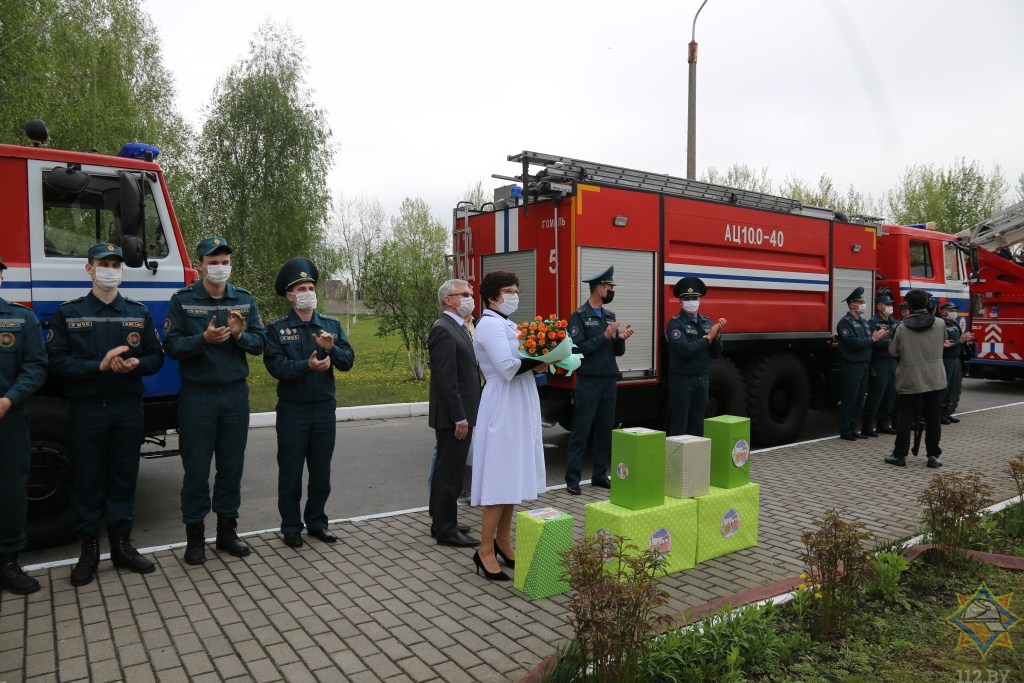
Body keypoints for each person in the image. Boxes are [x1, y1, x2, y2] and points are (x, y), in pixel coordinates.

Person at [48, 243, 165, 586]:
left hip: (127, 408)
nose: (110, 269)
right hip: (88, 409)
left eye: (116, 264)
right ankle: (88, 552)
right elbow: (55, 361)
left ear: (122, 271)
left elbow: (156, 357)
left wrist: (136, 364)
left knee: (124, 478)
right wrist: (97, 366)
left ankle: (122, 547)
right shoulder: (68, 312)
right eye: (103, 263)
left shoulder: (138, 312)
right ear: (89, 269)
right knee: (87, 481)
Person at [164, 236, 267, 565]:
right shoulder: (182, 300)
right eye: (213, 261)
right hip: (198, 396)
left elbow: (259, 343)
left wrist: (239, 335)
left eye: (225, 261)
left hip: (234, 395)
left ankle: (227, 531)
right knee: (195, 470)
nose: (220, 266)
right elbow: (171, 346)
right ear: (200, 265)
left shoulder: (245, 300)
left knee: (231, 468)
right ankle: (195, 536)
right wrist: (203, 338)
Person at [264, 258, 354, 549]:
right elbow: (276, 367)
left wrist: (332, 349)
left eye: (311, 287)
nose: (308, 292)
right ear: (290, 296)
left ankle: (317, 523)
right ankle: (291, 526)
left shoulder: (331, 325)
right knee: (290, 471)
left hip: (324, 410)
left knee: (321, 472)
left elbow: (347, 361)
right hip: (294, 410)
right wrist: (306, 365)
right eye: (301, 288)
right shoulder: (276, 329)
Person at [470, 271, 548, 581]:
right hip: (503, 402)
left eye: (516, 289)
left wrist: (548, 356)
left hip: (519, 399)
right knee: (500, 477)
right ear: (492, 297)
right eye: (508, 291)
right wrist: (542, 357)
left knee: (512, 477)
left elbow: (528, 361)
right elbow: (506, 367)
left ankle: (504, 541)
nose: (514, 295)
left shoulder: (509, 324)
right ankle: (484, 548)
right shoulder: (489, 325)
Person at [0, 257, 48, 595]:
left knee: (11, 490)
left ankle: (8, 561)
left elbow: (35, 366)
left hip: (8, 417)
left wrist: (9, 399)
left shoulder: (20, 319)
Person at [564, 266, 634, 495]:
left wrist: (620, 339)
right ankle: (573, 479)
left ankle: (599, 475)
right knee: (581, 429)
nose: (612, 290)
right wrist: (604, 337)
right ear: (600, 289)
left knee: (605, 429)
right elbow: (578, 348)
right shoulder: (580, 316)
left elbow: (616, 351)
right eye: (610, 287)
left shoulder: (610, 316)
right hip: (588, 381)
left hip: (608, 379)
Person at [427, 279, 481, 548]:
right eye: (465, 295)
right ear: (449, 300)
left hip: (459, 412)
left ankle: (441, 520)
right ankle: (447, 530)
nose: (470, 299)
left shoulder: (457, 327)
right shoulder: (444, 330)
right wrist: (460, 417)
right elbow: (446, 380)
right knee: (450, 473)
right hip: (453, 416)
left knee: (445, 470)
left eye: (470, 294)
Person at [885, 288, 947, 468]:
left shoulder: (902, 327)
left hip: (910, 376)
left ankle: (900, 455)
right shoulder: (940, 324)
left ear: (909, 305)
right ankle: (933, 456)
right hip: (935, 376)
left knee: (905, 416)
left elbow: (893, 351)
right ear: (928, 303)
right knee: (933, 416)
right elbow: (943, 342)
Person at [665, 276, 726, 437]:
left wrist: (717, 338)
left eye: (695, 298)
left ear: (700, 301)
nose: (691, 302)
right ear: (680, 302)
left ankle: (695, 461)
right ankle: (675, 462)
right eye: (687, 298)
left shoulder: (706, 322)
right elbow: (685, 351)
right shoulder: (675, 324)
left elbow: (716, 353)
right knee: (680, 425)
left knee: (698, 425)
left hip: (702, 380)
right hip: (682, 381)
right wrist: (708, 338)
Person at [836, 286, 888, 441]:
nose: (863, 304)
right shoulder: (845, 323)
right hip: (852, 365)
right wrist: (873, 339)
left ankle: (853, 428)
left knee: (859, 399)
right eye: (861, 302)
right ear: (852, 304)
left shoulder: (864, 323)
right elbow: (853, 343)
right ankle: (845, 430)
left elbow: (868, 342)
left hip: (864, 365)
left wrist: (877, 338)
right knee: (850, 398)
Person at [861, 291, 899, 436]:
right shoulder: (872, 322)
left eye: (891, 305)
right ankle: (868, 425)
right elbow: (874, 342)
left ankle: (884, 424)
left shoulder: (894, 322)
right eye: (888, 305)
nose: (891, 307)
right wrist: (890, 342)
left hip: (892, 361)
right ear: (879, 306)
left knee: (890, 394)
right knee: (876, 394)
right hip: (880, 361)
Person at [938, 301, 974, 425]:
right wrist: (960, 340)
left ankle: (947, 412)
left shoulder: (953, 323)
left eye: (954, 310)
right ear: (943, 312)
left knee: (952, 387)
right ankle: (940, 414)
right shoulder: (940, 324)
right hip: (946, 358)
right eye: (951, 310)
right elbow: (944, 344)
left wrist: (965, 339)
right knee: (944, 387)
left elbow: (958, 340)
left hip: (954, 358)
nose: (954, 313)